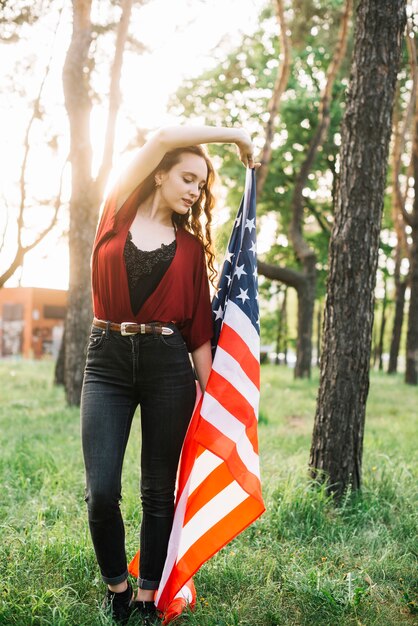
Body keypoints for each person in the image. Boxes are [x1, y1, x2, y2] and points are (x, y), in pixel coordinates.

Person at [80, 125, 259, 624]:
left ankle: (146, 595)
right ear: (158, 174)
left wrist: (218, 403)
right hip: (106, 362)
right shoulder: (114, 214)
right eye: (186, 177)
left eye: (200, 185)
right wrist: (234, 137)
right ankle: (116, 587)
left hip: (168, 370)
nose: (193, 191)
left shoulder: (191, 252)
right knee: (101, 491)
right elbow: (162, 135)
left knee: (158, 491)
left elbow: (200, 337)